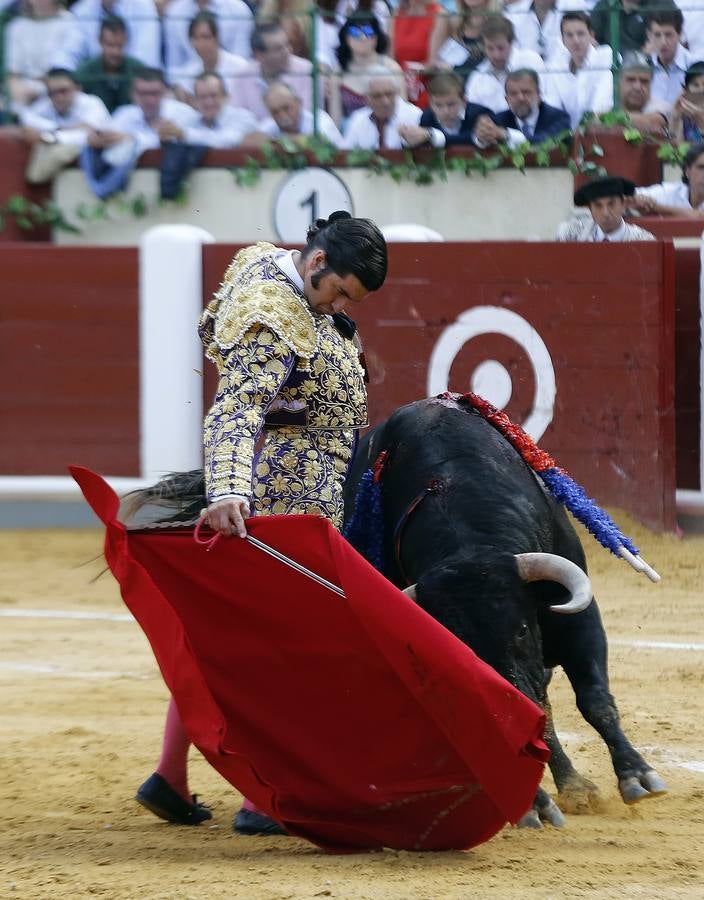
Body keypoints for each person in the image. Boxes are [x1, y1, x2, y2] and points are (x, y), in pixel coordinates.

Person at [134, 211, 389, 836]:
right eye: (338, 292)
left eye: (349, 302)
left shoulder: (281, 279)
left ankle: (169, 775)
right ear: (316, 262)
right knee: (281, 649)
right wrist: (226, 490)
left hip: (299, 490)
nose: (337, 307)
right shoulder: (272, 315)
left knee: (231, 642)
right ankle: (259, 797)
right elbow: (236, 407)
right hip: (283, 499)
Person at [3, 0, 83, 109]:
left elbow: (64, 67)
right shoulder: (16, 26)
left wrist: (38, 87)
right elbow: (12, 73)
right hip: (22, 90)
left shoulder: (70, 22)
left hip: (56, 88)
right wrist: (15, 90)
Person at [328, 13, 405, 126]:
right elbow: (335, 120)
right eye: (355, 32)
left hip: (388, 128)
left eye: (368, 32)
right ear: (346, 38)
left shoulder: (392, 68)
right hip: (351, 132)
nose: (363, 37)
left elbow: (403, 110)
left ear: (376, 37)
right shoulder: (338, 72)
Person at [543, 12, 613, 129]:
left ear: (591, 35)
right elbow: (553, 111)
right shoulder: (555, 67)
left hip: (598, 131)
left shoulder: (606, 57)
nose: (576, 40)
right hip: (565, 134)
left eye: (580, 34)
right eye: (569, 35)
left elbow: (601, 107)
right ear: (563, 40)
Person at [464, 14, 544, 114]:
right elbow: (472, 114)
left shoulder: (531, 61)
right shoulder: (477, 78)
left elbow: (546, 99)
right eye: (490, 48)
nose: (496, 55)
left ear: (512, 43)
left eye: (500, 48)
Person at [473, 67, 570, 147]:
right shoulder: (499, 120)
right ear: (506, 99)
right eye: (513, 94)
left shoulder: (559, 118)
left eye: (526, 92)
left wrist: (507, 135)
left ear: (539, 95)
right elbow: (478, 140)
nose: (520, 98)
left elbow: (544, 141)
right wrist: (482, 137)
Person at [236, 21, 315, 119]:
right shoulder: (243, 76)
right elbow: (239, 117)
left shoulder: (307, 71)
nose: (288, 51)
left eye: (287, 44)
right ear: (259, 55)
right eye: (278, 49)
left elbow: (307, 116)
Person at [169, 11, 248, 105]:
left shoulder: (240, 67)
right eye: (196, 38)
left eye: (206, 37)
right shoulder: (189, 70)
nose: (201, 44)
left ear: (217, 38)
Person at [396, 69, 491, 147]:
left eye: (451, 104)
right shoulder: (426, 118)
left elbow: (472, 138)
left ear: (464, 101)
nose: (445, 111)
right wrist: (408, 138)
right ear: (430, 104)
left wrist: (432, 136)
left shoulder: (480, 114)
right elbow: (420, 145)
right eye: (438, 105)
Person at [164, 0, 255, 76]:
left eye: (206, 37)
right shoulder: (175, 11)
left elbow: (242, 59)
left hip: (233, 81)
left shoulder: (238, 9)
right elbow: (174, 67)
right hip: (189, 84)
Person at [74, 15, 144, 113]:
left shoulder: (138, 69)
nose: (115, 52)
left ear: (126, 40)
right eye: (110, 45)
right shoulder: (84, 72)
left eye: (119, 46)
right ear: (100, 41)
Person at [67, 0, 162, 69]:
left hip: (134, 81)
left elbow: (146, 61)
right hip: (95, 83)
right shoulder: (81, 9)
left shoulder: (143, 6)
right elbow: (68, 55)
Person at [556, 175, 656, 241]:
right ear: (590, 209)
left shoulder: (643, 240)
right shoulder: (570, 235)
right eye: (598, 206)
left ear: (623, 205)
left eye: (611, 204)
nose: (605, 213)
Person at [342, 73, 422, 148]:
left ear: (397, 92)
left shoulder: (414, 115)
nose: (385, 102)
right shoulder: (358, 119)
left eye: (389, 94)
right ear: (367, 98)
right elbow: (346, 152)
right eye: (377, 96)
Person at [255, 80, 344, 146]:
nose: (282, 115)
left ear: (298, 103)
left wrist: (279, 141)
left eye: (286, 108)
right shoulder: (270, 125)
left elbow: (323, 143)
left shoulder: (318, 119)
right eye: (275, 112)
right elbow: (250, 140)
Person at [428, 0, 497, 81]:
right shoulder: (449, 20)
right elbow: (432, 64)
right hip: (446, 82)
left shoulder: (498, 21)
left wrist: (452, 68)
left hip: (480, 83)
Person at [632, 142, 704, 216]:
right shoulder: (671, 191)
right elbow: (628, 195)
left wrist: (655, 206)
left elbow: (698, 216)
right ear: (687, 171)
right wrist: (640, 200)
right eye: (701, 167)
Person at [647, 8, 695, 106]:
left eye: (668, 35)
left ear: (680, 34)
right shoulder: (642, 66)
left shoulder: (694, 67)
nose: (663, 42)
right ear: (649, 36)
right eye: (657, 35)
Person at [616, 51, 671, 138]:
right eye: (631, 80)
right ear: (619, 82)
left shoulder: (662, 107)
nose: (637, 87)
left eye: (644, 81)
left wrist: (609, 118)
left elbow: (653, 122)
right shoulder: (608, 104)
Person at [590, 0, 657, 55]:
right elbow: (592, 38)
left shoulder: (655, 6)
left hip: (643, 61)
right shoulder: (603, 7)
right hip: (609, 61)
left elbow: (657, 39)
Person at [669, 61, 704, 142]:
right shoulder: (685, 115)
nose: (701, 89)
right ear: (687, 90)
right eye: (695, 85)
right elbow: (675, 146)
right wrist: (675, 118)